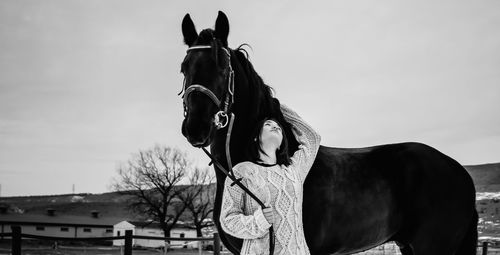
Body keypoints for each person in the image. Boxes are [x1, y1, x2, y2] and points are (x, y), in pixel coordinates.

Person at [220, 103, 321, 255]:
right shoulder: (242, 171)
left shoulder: (293, 171)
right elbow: (228, 220)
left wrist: (275, 105)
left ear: (281, 143)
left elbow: (312, 138)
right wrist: (259, 220)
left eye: (278, 127)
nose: (276, 127)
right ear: (255, 137)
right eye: (268, 124)